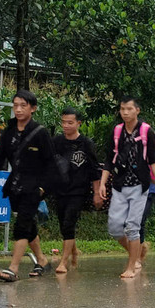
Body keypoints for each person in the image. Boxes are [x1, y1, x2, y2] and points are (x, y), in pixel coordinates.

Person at [0, 90, 58, 282]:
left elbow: (51, 164)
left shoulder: (40, 132)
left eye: (23, 105)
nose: (18, 109)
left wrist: (43, 189)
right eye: (15, 105)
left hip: (34, 188)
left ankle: (13, 268)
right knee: (28, 224)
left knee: (22, 225)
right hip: (15, 187)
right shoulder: (10, 130)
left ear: (33, 108)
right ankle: (42, 260)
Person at [96, 97, 155, 279]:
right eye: (122, 109)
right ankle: (138, 251)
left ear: (137, 110)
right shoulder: (117, 132)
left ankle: (131, 266)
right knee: (115, 228)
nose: (125, 112)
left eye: (129, 109)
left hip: (140, 187)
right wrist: (102, 183)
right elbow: (109, 160)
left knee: (133, 227)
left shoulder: (147, 132)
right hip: (119, 186)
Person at [52, 107, 101, 274]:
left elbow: (94, 170)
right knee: (63, 225)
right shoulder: (56, 142)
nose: (66, 125)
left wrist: (97, 193)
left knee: (69, 222)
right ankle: (73, 251)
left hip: (79, 191)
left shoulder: (86, 144)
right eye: (63, 122)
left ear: (78, 123)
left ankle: (63, 262)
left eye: (70, 122)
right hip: (60, 189)